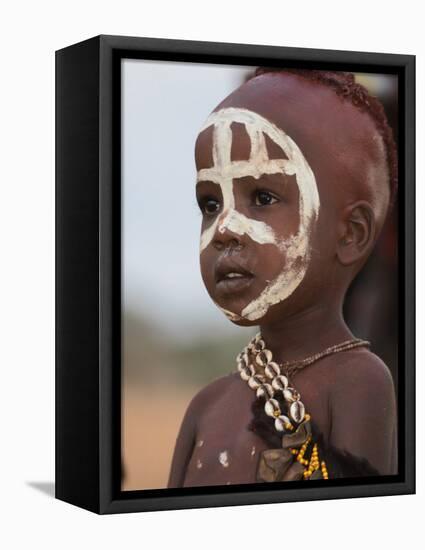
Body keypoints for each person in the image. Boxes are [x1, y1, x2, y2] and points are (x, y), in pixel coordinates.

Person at [167, 68, 398, 488]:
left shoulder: (357, 381)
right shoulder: (206, 406)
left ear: (350, 234)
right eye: (211, 203)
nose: (225, 229)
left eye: (263, 198)